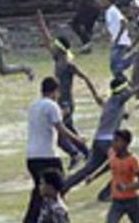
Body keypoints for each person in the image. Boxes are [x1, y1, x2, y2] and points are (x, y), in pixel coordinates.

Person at [63, 68, 139, 195]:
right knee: (124, 164)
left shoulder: (109, 102)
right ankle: (108, 193)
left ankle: (64, 186)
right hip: (109, 141)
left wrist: (123, 115)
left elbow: (107, 107)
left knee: (88, 169)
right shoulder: (120, 99)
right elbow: (138, 89)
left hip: (98, 140)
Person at [25, 77, 85, 223]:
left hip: (32, 156)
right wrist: (78, 140)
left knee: (39, 191)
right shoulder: (52, 106)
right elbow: (61, 129)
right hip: (47, 155)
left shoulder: (34, 105)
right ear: (56, 91)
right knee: (58, 187)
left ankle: (33, 219)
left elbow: (45, 121)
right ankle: (60, 217)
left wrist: (62, 114)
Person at [37, 10, 90, 168]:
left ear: (60, 49)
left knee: (60, 135)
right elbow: (47, 41)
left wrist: (96, 96)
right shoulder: (58, 58)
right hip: (59, 102)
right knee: (70, 130)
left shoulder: (68, 64)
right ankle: (88, 154)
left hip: (66, 103)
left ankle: (75, 154)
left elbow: (85, 77)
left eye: (55, 46)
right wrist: (41, 24)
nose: (52, 47)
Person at [86, 129, 139, 223]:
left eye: (116, 140)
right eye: (113, 140)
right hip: (117, 201)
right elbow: (108, 166)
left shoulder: (133, 160)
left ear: (126, 143)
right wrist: (93, 176)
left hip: (133, 201)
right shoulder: (112, 154)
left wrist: (126, 187)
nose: (113, 143)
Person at [102, 0, 134, 77]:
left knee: (115, 65)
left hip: (121, 42)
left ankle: (134, 58)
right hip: (116, 41)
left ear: (109, 1)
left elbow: (124, 22)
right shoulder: (108, 11)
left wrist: (118, 37)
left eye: (104, 0)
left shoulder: (113, 10)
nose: (102, 2)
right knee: (115, 65)